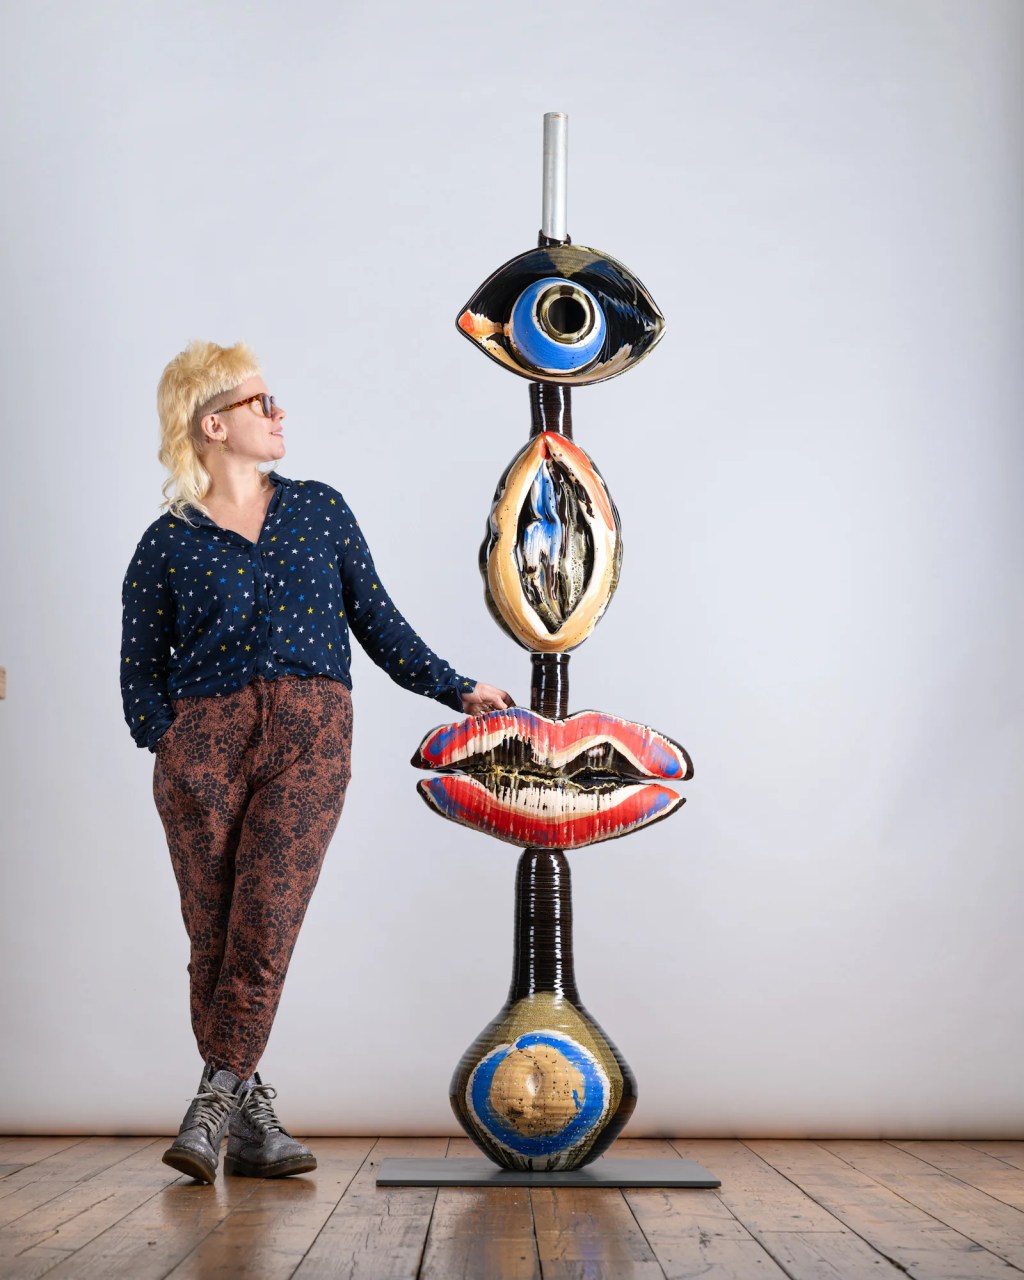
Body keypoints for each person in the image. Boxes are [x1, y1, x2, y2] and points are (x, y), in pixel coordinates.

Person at [120, 339, 515, 1184]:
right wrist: (168, 738)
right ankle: (253, 1123)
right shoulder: (166, 543)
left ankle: (210, 1106)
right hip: (201, 749)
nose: (279, 414)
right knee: (215, 940)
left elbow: (377, 620)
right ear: (213, 424)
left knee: (265, 924)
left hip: (309, 736)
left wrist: (454, 688)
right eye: (261, 403)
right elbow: (138, 670)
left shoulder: (319, 510)